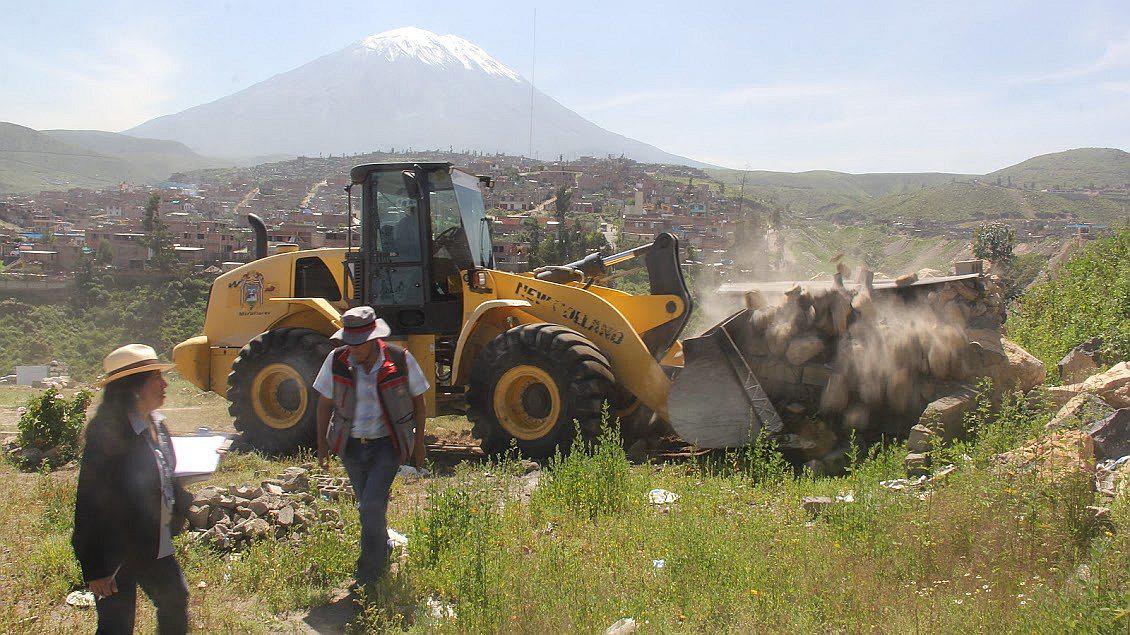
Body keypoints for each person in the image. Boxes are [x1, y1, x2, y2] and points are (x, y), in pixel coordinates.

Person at [72, 344, 193, 634]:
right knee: (117, 624)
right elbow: (88, 504)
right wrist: (96, 568)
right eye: (156, 378)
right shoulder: (107, 435)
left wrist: (180, 503)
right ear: (135, 387)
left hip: (152, 542)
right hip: (114, 552)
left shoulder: (158, 426)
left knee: (175, 600)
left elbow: (165, 476)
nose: (165, 384)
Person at [314, 306, 429, 588]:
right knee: (368, 505)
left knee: (371, 504)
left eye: (358, 344)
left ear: (372, 339)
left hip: (387, 445)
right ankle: (384, 545)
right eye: (348, 343)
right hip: (351, 446)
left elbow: (419, 402)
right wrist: (322, 445)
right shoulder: (337, 360)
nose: (352, 349)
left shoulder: (399, 359)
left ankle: (369, 569)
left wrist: (420, 444)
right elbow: (324, 404)